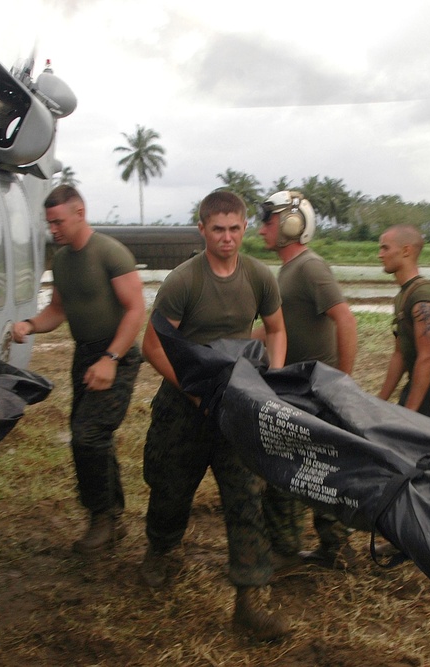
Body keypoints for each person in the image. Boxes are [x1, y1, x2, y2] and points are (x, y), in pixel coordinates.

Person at [140, 190, 291, 641]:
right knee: (170, 488)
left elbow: (278, 330)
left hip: (237, 403)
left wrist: (273, 383)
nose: (227, 238)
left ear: (244, 228)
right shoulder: (184, 281)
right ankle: (160, 550)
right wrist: (192, 389)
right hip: (184, 405)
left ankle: (248, 602)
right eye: (217, 230)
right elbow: (152, 345)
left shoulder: (260, 276)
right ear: (202, 229)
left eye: (234, 229)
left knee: (246, 496)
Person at [11, 185, 144, 557]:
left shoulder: (110, 253)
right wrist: (29, 324)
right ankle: (112, 518)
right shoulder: (64, 260)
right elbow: (57, 309)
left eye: (58, 221)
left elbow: (135, 310)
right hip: (85, 355)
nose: (53, 229)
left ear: (80, 213)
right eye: (48, 222)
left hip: (115, 355)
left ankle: (102, 518)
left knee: (88, 435)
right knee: (90, 436)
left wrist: (111, 359)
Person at [256, 190, 358, 571]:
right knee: (318, 469)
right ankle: (335, 548)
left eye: (268, 220)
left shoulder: (311, 267)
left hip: (317, 389)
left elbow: (345, 320)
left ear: (291, 225)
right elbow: (279, 330)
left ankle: (285, 552)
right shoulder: (289, 271)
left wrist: (341, 383)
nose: (261, 227)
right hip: (299, 387)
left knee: (290, 469)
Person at [376, 224, 430, 432]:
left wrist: (409, 415)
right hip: (417, 390)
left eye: (385, 248)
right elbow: (400, 353)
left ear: (406, 251)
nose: (380, 255)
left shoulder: (422, 297)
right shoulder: (404, 295)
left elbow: (428, 358)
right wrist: (380, 401)